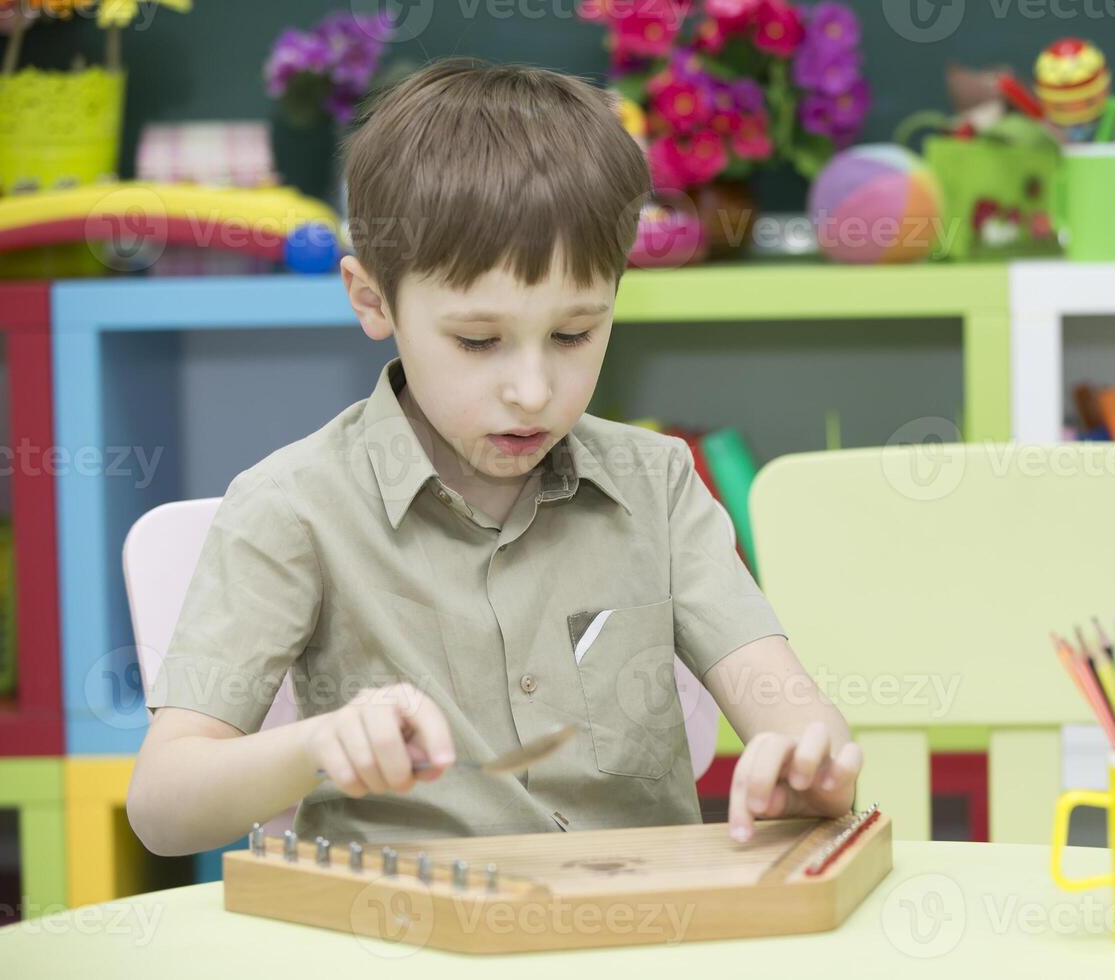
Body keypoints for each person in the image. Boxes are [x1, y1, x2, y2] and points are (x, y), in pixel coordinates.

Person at [128, 58, 861, 855]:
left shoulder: (659, 485)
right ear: (373, 300)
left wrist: (811, 765)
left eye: (575, 334)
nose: (533, 390)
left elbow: (799, 723)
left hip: (642, 939)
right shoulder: (292, 506)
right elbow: (165, 809)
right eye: (479, 341)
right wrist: (315, 745)